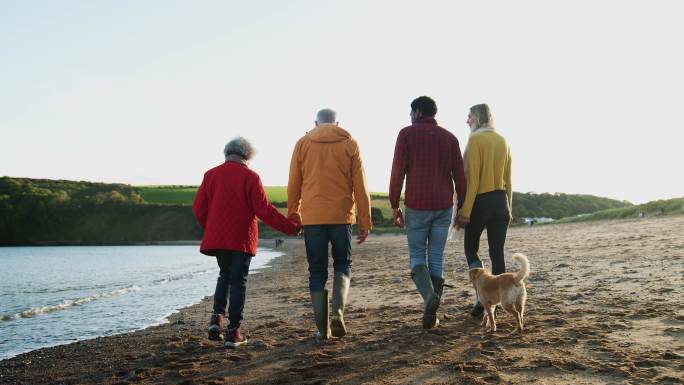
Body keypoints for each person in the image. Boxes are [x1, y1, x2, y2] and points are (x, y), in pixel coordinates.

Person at [193, 137, 300, 348]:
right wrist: (292, 227)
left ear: (227, 153)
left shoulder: (210, 175)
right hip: (241, 238)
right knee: (238, 280)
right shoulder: (250, 177)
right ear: (247, 155)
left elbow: (198, 208)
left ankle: (216, 319)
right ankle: (233, 332)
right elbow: (264, 210)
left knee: (224, 275)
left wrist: (212, 227)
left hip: (218, 238)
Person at [288, 108, 372, 340]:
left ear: (315, 123)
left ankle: (321, 329)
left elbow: (294, 183)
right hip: (341, 216)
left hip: (312, 218)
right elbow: (360, 186)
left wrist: (294, 215)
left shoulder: (302, 144)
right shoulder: (350, 143)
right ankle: (337, 312)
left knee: (317, 270)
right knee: (343, 263)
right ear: (338, 123)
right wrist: (365, 221)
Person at [389, 96, 466, 330]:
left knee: (416, 256)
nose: (410, 116)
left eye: (411, 112)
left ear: (418, 112)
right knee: (435, 257)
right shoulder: (450, 138)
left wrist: (394, 204)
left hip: (417, 206)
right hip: (443, 206)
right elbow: (460, 177)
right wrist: (460, 203)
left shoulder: (406, 134)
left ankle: (429, 298)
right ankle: (431, 315)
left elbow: (397, 171)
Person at [455, 104, 512, 317]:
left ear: (477, 118)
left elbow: (474, 179)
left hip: (480, 202)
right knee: (497, 252)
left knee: (470, 248)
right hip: (501, 201)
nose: (467, 120)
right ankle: (500, 298)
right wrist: (510, 207)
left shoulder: (475, 140)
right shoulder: (502, 140)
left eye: (469, 116)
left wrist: (465, 211)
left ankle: (481, 296)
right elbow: (509, 179)